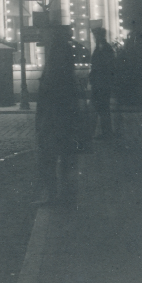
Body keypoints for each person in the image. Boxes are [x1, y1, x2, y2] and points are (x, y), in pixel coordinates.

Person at [35, 26, 79, 206]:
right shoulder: (63, 51)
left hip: (55, 115)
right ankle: (64, 195)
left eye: (45, 32)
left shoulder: (57, 53)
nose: (42, 34)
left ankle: (54, 197)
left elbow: (53, 87)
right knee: (64, 157)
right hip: (61, 114)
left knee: (48, 157)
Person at [89, 26, 115, 138]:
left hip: (101, 83)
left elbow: (103, 66)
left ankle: (106, 132)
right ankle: (106, 131)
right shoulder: (103, 47)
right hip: (101, 82)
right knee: (102, 108)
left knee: (101, 107)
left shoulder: (103, 48)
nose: (94, 37)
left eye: (95, 35)